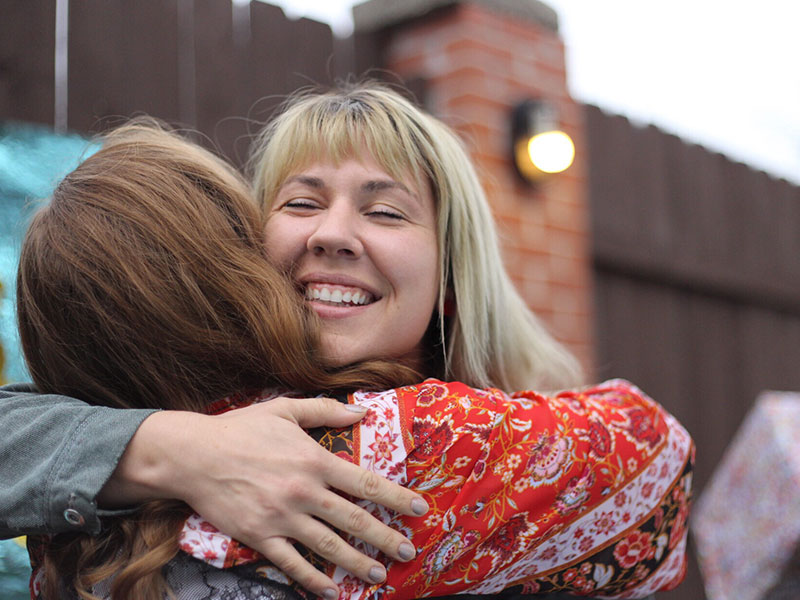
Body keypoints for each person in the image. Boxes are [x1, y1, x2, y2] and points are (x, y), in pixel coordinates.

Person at [18, 121, 692, 600]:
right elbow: (659, 452)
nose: (333, 233)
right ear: (246, 253)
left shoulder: (59, 523)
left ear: (452, 281)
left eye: (386, 212)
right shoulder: (405, 444)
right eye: (300, 202)